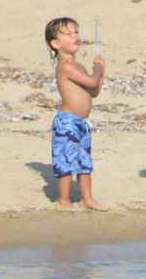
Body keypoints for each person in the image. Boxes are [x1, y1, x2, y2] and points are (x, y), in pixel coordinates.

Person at [44, 17, 106, 211]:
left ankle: (87, 198)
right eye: (68, 34)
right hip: (67, 122)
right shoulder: (65, 66)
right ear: (55, 44)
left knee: (84, 161)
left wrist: (100, 73)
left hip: (81, 123)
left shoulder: (79, 66)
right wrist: (97, 70)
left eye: (76, 32)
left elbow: (93, 91)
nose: (75, 36)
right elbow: (91, 81)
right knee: (67, 161)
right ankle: (63, 200)